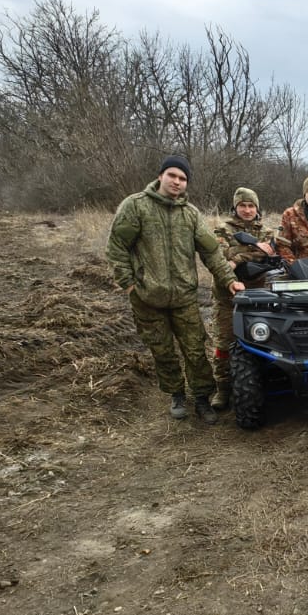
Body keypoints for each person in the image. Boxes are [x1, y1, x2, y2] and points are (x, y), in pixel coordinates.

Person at [105, 155, 244, 424]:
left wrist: (229, 279)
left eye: (182, 178)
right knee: (162, 350)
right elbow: (117, 247)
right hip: (147, 297)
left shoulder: (190, 214)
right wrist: (129, 285)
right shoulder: (136, 206)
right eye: (172, 175)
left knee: (195, 349)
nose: (177, 181)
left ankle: (202, 397)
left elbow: (211, 252)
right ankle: (177, 394)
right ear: (160, 176)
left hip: (184, 297)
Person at [208, 186, 276, 409]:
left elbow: (267, 254)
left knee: (264, 340)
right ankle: (223, 388)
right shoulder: (222, 229)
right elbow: (219, 257)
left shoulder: (266, 231)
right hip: (228, 297)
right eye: (242, 205)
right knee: (224, 344)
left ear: (257, 208)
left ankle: (259, 383)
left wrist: (237, 258)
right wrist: (252, 251)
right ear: (235, 207)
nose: (247, 210)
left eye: (251, 206)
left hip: (259, 296)